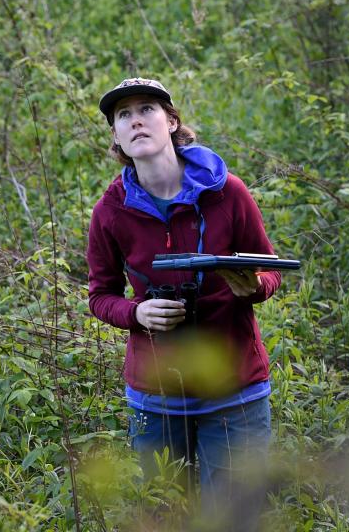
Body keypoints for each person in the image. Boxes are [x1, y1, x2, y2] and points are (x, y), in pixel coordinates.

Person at [86, 77, 281, 523]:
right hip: (156, 396)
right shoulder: (110, 212)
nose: (136, 121)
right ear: (116, 137)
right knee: (163, 516)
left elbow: (270, 267)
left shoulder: (227, 191)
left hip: (235, 392)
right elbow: (100, 296)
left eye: (147, 110)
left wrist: (255, 286)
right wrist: (138, 313)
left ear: (172, 122)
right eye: (123, 116)